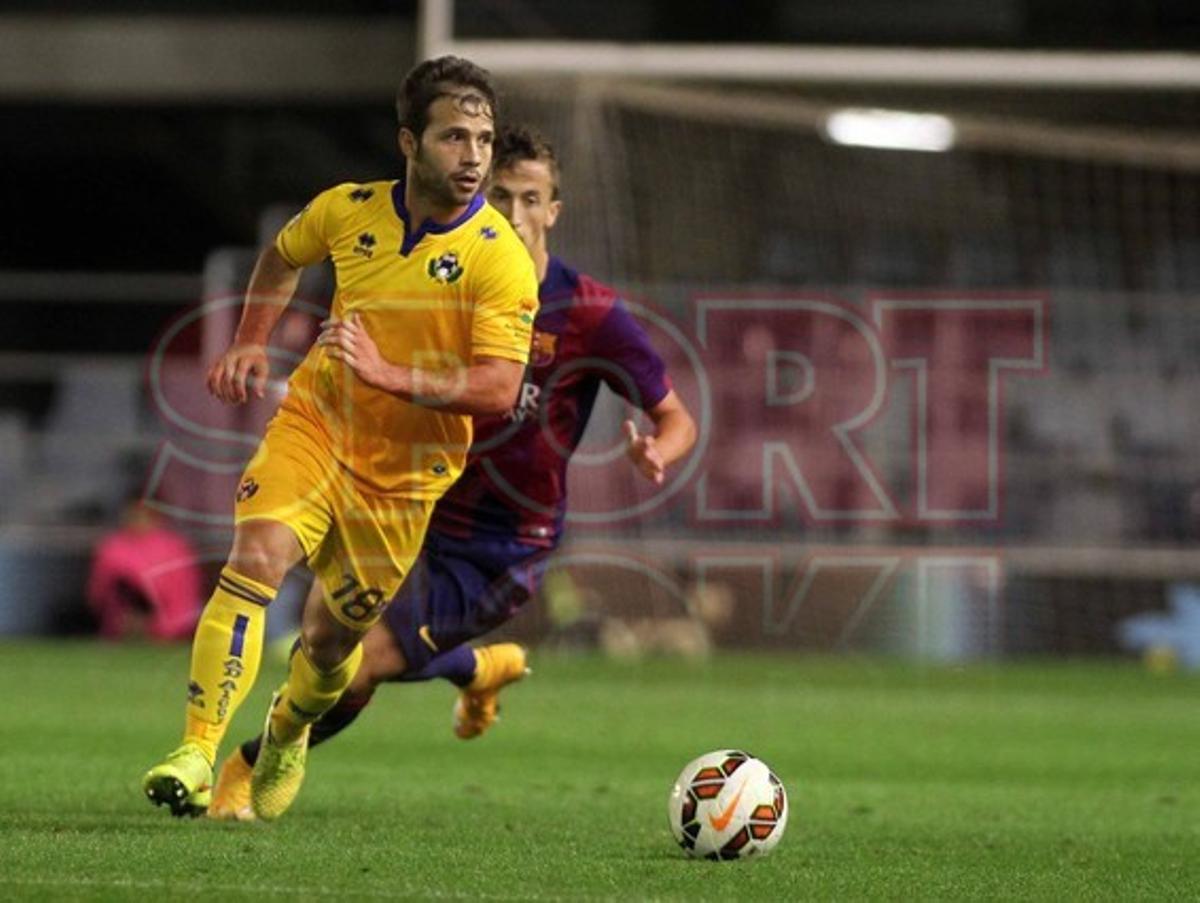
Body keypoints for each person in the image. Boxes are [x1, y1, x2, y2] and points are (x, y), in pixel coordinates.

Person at [207, 125, 697, 820]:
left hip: (496, 541)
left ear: (555, 209)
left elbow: (678, 418)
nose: (517, 213)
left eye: (532, 198)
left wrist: (658, 450)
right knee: (325, 639)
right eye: (503, 195)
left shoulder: (588, 311)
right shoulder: (445, 272)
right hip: (407, 495)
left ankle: (247, 766)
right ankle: (476, 666)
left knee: (367, 662)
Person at [142, 56, 539, 821]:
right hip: (317, 426)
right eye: (455, 136)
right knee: (254, 558)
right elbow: (283, 255)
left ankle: (287, 729)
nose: (475, 156)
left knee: (328, 648)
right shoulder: (347, 210)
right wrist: (253, 338)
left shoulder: (498, 255)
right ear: (408, 142)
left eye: (484, 139)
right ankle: (195, 749)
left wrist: (391, 373)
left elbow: (496, 386)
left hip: (404, 478)